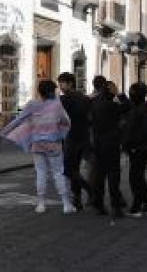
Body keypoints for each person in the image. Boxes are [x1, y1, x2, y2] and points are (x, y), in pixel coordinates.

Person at [1, 79, 75, 214]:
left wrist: (5, 131)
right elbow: (66, 122)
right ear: (52, 92)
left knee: (41, 173)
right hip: (54, 144)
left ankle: (41, 204)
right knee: (58, 173)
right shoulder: (57, 105)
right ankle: (66, 204)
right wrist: (61, 134)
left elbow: (19, 119)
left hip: (37, 144)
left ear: (39, 92)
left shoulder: (32, 105)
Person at [90, 76, 130, 218]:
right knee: (113, 176)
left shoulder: (94, 103)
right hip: (111, 144)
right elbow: (127, 106)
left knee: (99, 175)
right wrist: (119, 93)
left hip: (98, 143)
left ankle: (99, 204)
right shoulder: (112, 106)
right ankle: (116, 207)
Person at [58, 72, 93, 211]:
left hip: (71, 137)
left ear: (70, 83)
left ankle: (89, 190)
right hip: (84, 136)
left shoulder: (64, 99)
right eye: (60, 83)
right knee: (75, 169)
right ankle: (77, 200)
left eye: (62, 83)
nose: (60, 86)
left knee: (69, 169)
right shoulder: (85, 98)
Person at [124, 82, 147, 217]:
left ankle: (137, 206)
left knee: (135, 178)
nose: (131, 95)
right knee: (138, 176)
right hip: (139, 147)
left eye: (132, 93)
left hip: (139, 148)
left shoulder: (142, 109)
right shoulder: (140, 108)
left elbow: (143, 131)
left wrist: (133, 145)